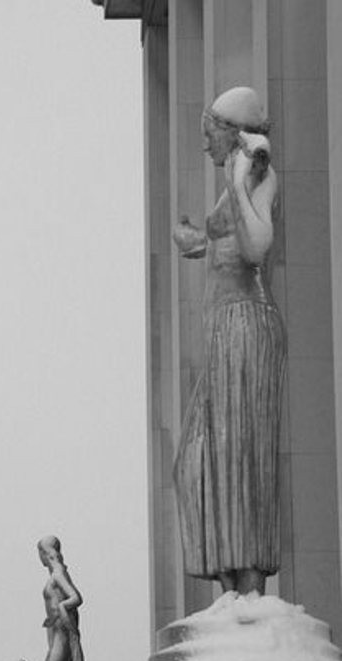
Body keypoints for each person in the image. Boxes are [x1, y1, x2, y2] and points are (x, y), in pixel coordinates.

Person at [173, 86, 286, 596]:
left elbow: (257, 247)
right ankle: (230, 584)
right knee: (198, 461)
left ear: (230, 131)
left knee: (241, 453)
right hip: (223, 328)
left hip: (246, 323)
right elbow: (225, 244)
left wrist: (239, 185)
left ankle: (248, 587)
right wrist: (194, 239)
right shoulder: (231, 179)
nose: (205, 146)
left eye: (209, 133)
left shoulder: (257, 172)